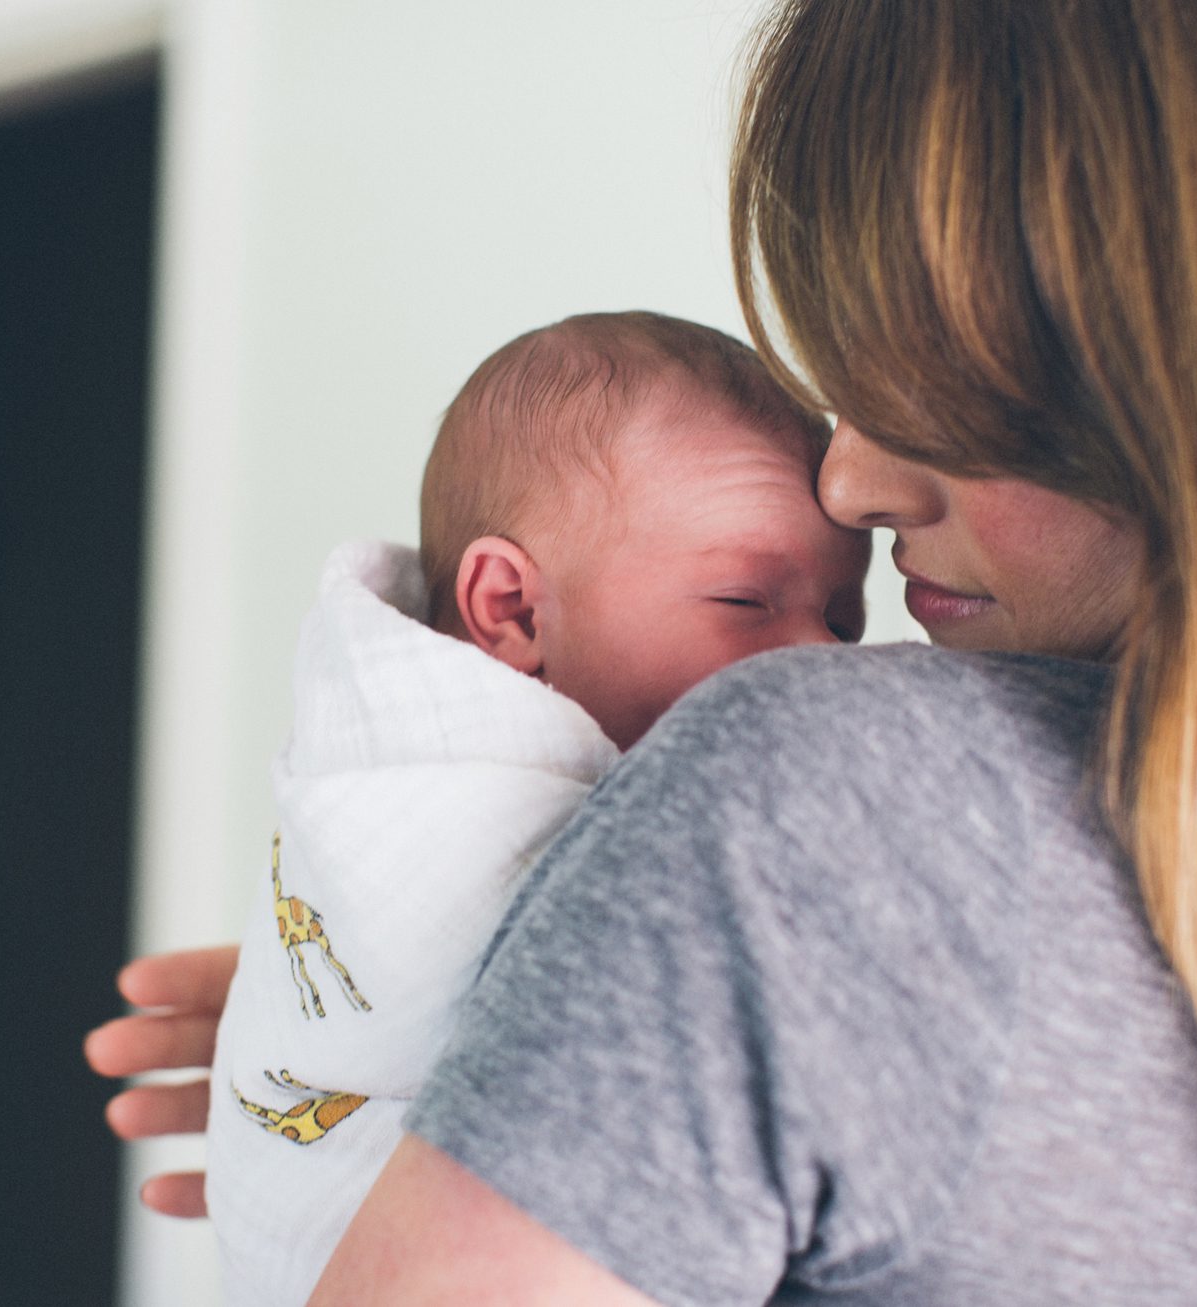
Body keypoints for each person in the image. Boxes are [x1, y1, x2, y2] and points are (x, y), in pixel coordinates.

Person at [88, 0, 1197, 1303]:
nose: (854, 484)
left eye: (939, 379)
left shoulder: (816, 810)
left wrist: (629, 975)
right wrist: (548, 1003)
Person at [204, 311, 869, 1305]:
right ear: (511, 609)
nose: (819, 657)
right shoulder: (432, 796)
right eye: (744, 601)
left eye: (843, 617)